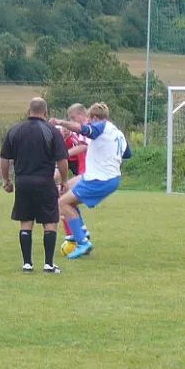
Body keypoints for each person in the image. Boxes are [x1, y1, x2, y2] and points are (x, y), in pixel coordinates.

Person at [0, 97, 69, 273]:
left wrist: (6, 180)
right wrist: (65, 180)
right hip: (45, 181)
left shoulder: (15, 130)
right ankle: (48, 264)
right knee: (49, 222)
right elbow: (62, 160)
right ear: (45, 112)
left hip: (23, 182)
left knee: (26, 221)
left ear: (29, 111)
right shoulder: (52, 131)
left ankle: (27, 263)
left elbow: (4, 159)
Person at [57, 102, 132, 259]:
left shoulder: (100, 127)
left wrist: (61, 123)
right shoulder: (116, 132)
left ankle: (83, 242)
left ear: (96, 118)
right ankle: (81, 231)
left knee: (63, 203)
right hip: (106, 177)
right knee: (65, 191)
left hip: (100, 178)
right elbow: (127, 154)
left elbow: (86, 130)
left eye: (90, 120)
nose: (88, 122)